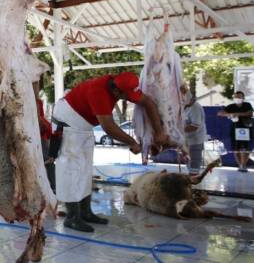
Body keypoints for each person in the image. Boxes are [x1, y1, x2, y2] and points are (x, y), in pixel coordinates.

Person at [52, 71, 170, 233]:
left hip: (84, 125)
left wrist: (159, 132)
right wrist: (132, 143)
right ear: (116, 91)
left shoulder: (122, 84)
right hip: (68, 123)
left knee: (85, 169)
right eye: (126, 97)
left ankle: (86, 212)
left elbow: (148, 102)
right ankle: (72, 217)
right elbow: (109, 127)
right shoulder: (98, 92)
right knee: (71, 170)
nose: (128, 99)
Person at [217, 91, 253, 172]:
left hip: (245, 128)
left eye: (239, 97)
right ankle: (240, 165)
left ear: (243, 98)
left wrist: (238, 114)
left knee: (245, 148)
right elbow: (220, 113)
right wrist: (229, 115)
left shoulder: (247, 105)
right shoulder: (231, 106)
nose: (237, 99)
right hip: (234, 128)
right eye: (236, 97)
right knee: (236, 149)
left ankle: (243, 165)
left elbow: (250, 112)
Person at [184, 88, 207, 175]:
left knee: (194, 162)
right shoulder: (184, 107)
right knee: (188, 161)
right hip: (186, 140)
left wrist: (179, 130)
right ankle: (191, 177)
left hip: (195, 140)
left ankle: (194, 179)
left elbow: (194, 126)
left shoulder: (195, 108)